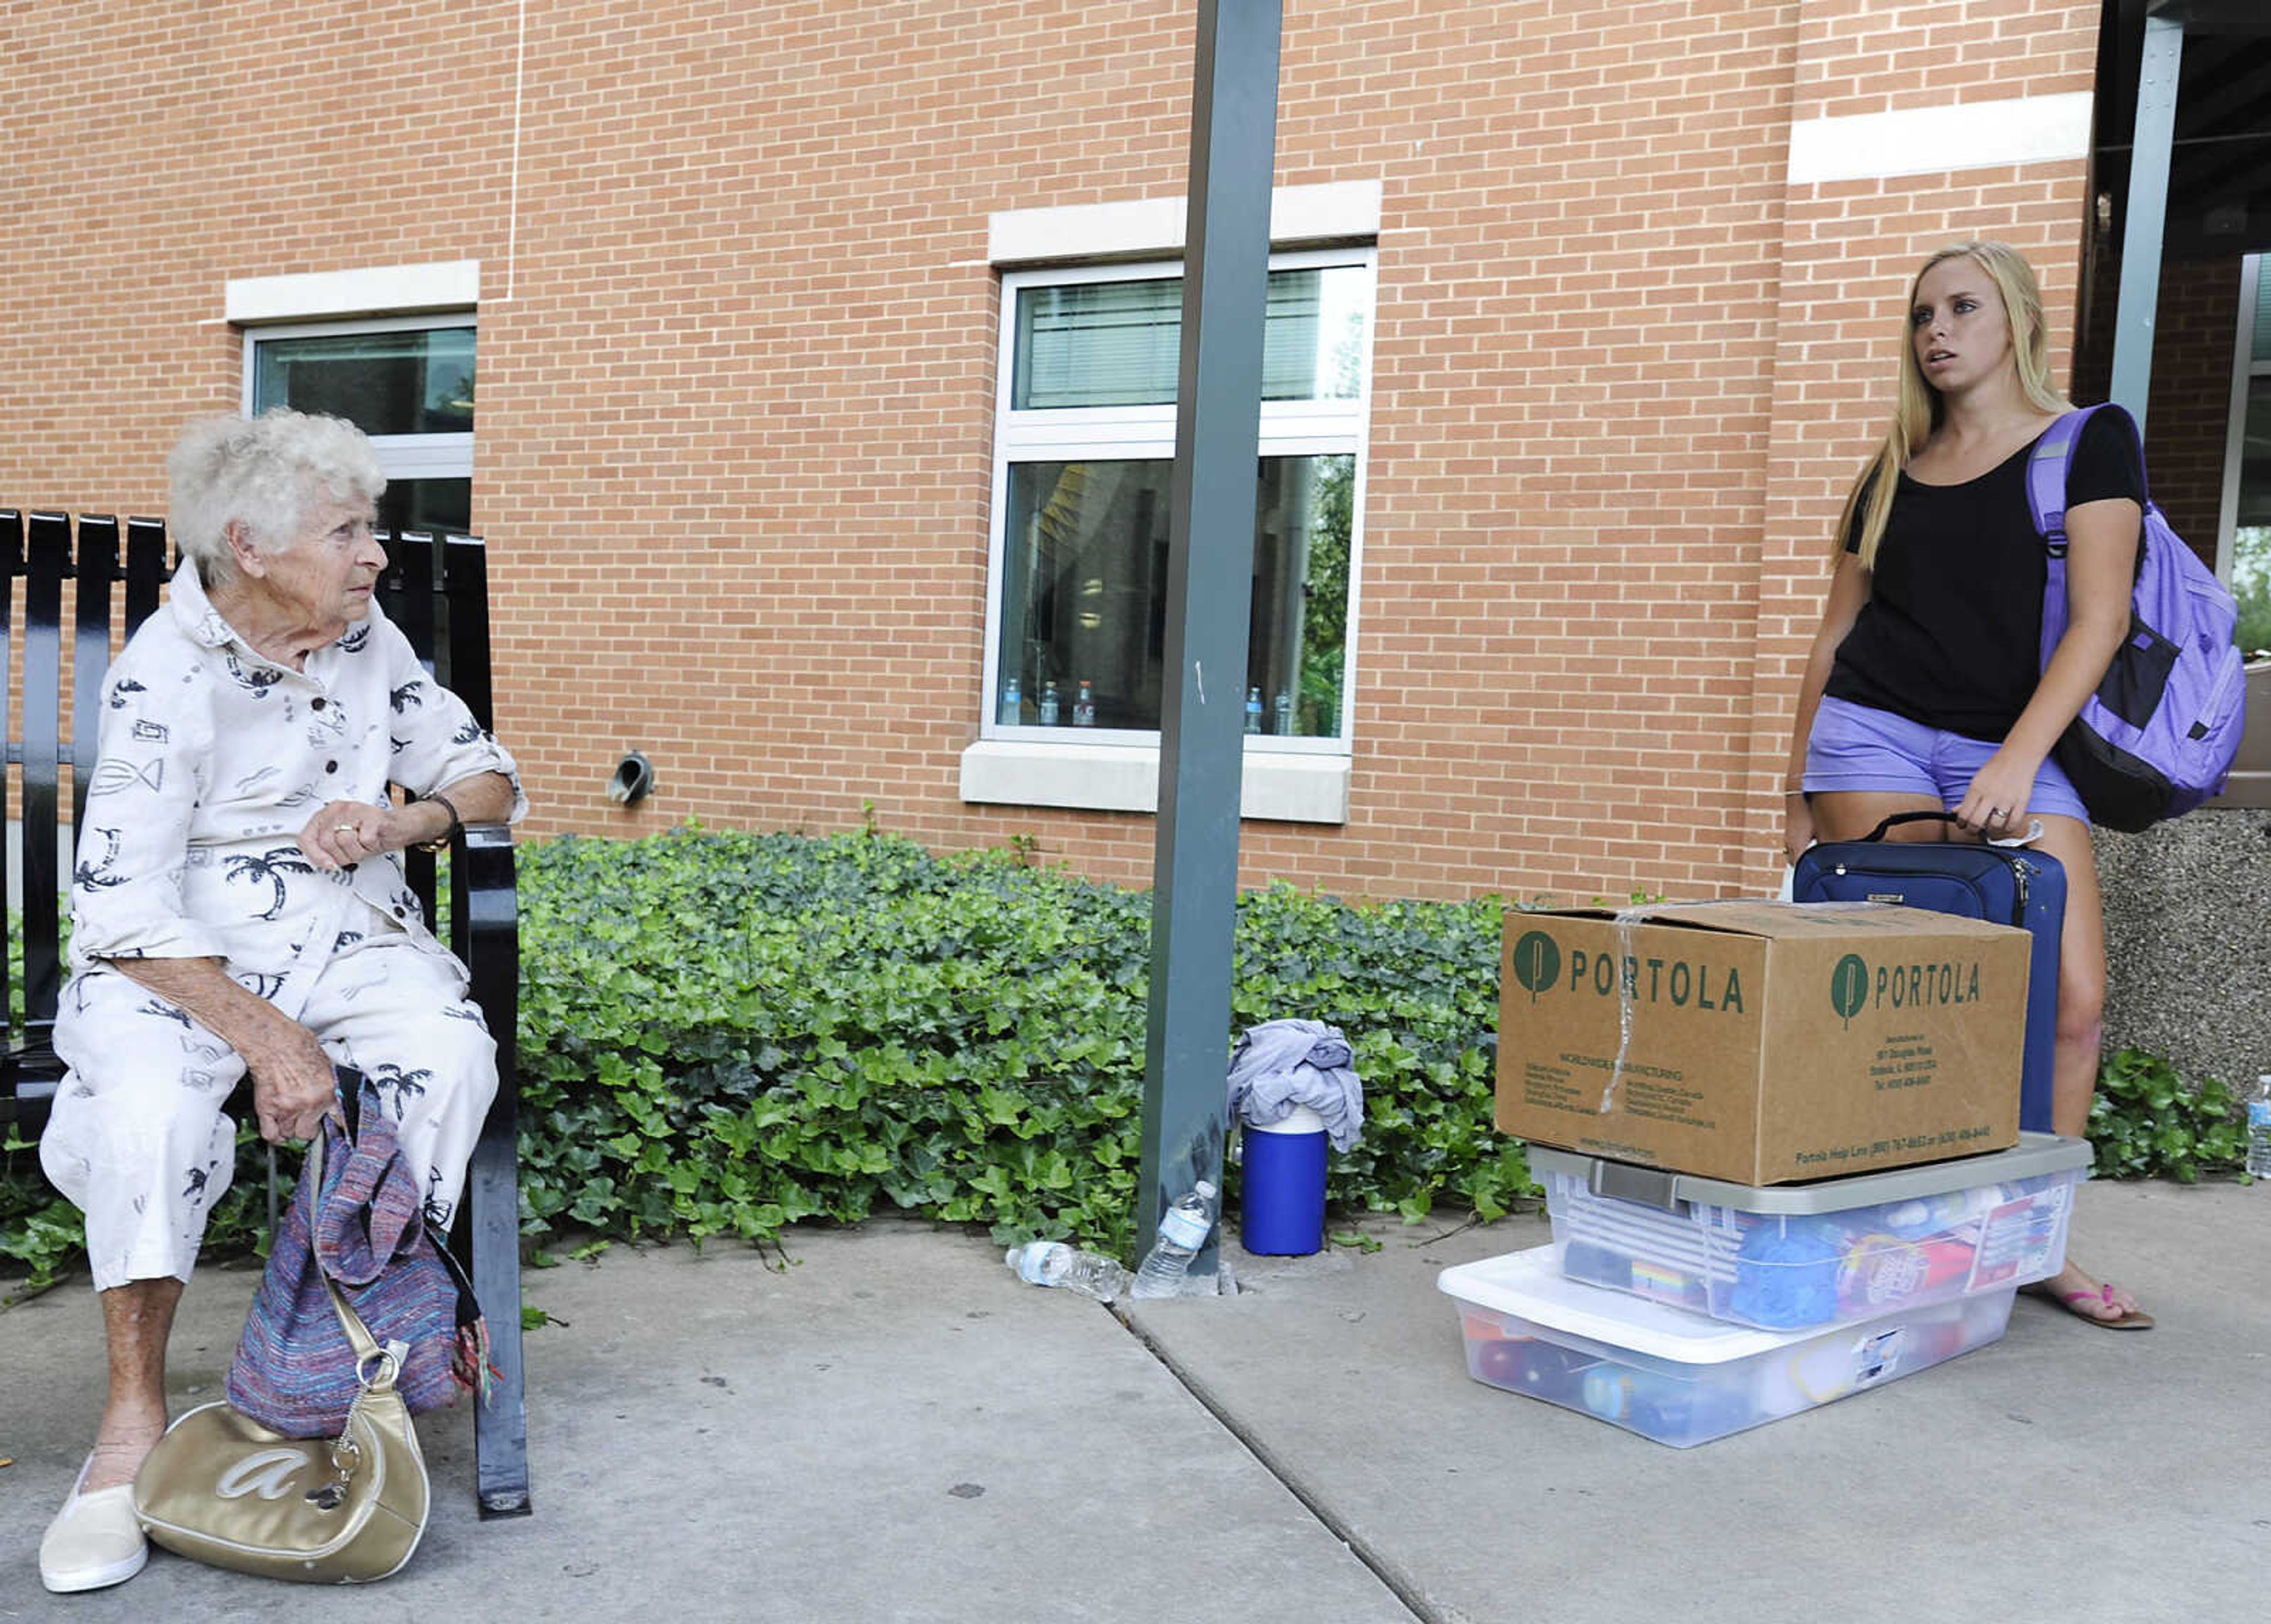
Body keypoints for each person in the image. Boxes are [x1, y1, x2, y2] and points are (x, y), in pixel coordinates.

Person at [36, 410, 525, 1593]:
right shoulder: (165, 672)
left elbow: (490, 775)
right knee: (146, 1111)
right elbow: (119, 907)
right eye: (350, 530)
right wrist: (270, 1038)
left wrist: (400, 819)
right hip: (179, 955)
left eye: (373, 530)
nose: (375, 555)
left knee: (445, 1058)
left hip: (347, 928)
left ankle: (314, 1360)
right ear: (249, 546)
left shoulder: (367, 637)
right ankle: (130, 1424)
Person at [1785, 239, 2152, 1333]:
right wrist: (1792, 780)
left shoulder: (2091, 443)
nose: (1936, 331)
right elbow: (1834, 633)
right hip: (1872, 739)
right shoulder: (1890, 464)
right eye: (1920, 315)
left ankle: (2035, 1241)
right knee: (1898, 999)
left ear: (2018, 322)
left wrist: (2016, 762)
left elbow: (2102, 621)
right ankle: (1886, 1227)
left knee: (2071, 1002)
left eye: (1962, 308)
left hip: (2015, 747)